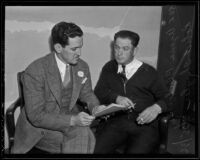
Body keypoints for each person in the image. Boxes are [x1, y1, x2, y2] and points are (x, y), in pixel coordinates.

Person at [12, 21, 101, 154]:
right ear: (58, 48)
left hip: (67, 118)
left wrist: (96, 107)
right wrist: (73, 120)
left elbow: (87, 93)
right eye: (74, 49)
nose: (79, 53)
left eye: (80, 47)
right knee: (84, 135)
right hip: (39, 128)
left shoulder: (82, 66)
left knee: (84, 134)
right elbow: (36, 116)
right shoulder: (35, 70)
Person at [93, 30, 171, 154]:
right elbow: (99, 91)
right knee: (95, 151)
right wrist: (116, 97)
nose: (119, 53)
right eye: (117, 47)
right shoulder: (109, 67)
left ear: (134, 51)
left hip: (144, 125)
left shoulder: (149, 72)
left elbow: (169, 98)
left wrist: (156, 108)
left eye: (125, 48)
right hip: (116, 122)